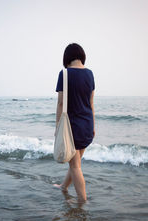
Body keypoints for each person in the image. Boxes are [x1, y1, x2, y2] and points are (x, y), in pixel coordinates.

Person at [54, 43, 95, 203]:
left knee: (75, 166)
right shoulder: (90, 74)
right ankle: (64, 187)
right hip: (87, 124)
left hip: (72, 127)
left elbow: (60, 103)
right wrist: (93, 126)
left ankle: (82, 203)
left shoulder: (64, 74)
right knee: (75, 162)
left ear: (67, 58)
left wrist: (58, 126)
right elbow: (91, 103)